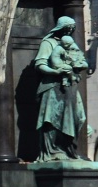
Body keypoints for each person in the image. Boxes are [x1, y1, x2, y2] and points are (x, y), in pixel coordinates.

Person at [33, 16, 90, 161]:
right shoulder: (48, 43)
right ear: (61, 28)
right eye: (68, 28)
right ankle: (51, 152)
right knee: (52, 119)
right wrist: (55, 72)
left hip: (70, 87)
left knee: (78, 117)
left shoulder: (70, 44)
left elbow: (81, 60)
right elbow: (40, 64)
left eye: (72, 29)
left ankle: (69, 151)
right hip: (52, 87)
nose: (70, 31)